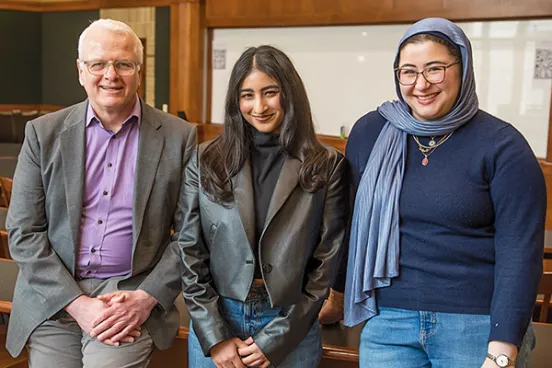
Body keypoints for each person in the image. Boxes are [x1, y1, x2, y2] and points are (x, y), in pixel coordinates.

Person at [344, 18, 546, 368]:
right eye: (408, 71)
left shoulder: (503, 146)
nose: (421, 84)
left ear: (463, 68)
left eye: (434, 69)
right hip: (389, 320)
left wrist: (502, 350)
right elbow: (342, 223)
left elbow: (520, 251)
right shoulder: (371, 132)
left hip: (475, 323)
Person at [5, 19, 197, 367]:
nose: (111, 75)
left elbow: (190, 235)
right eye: (98, 64)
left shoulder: (179, 137)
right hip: (54, 296)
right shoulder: (42, 134)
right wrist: (77, 304)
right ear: (81, 70)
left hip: (129, 298)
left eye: (123, 63)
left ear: (139, 71)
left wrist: (147, 298)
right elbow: (24, 232)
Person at [178, 45, 349, 367]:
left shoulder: (327, 164)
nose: (259, 106)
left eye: (270, 93)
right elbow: (189, 249)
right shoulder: (205, 160)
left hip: (290, 319)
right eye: (247, 95)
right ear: (235, 101)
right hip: (219, 316)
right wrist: (214, 336)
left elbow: (327, 262)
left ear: (289, 93)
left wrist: (279, 336)